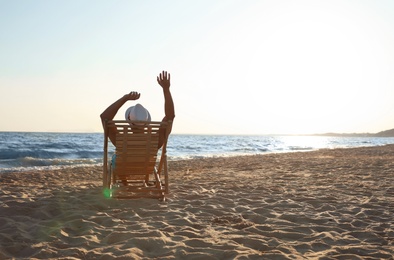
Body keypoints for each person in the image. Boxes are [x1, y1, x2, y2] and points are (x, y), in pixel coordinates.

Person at [100, 71, 175, 149]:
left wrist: (124, 98)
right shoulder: (155, 141)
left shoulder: (120, 141)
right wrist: (166, 89)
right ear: (146, 122)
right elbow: (170, 117)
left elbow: (104, 117)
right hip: (147, 161)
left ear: (129, 120)